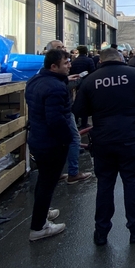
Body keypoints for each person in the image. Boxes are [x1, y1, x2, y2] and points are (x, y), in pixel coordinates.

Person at [73, 47, 135, 246]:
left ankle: (101, 232)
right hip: (130, 138)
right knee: (131, 183)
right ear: (121, 58)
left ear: (100, 61)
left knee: (104, 185)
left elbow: (79, 110)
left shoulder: (90, 80)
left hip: (103, 141)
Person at [25, 49, 72, 241]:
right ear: (53, 66)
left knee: (44, 180)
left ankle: (42, 212)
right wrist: (67, 138)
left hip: (37, 138)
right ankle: (39, 227)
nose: (69, 65)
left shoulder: (34, 81)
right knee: (47, 183)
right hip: (51, 143)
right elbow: (55, 119)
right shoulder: (55, 87)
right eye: (65, 63)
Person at [47, 40, 92, 182]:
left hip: (62, 111)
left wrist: (66, 79)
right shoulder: (55, 85)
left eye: (63, 47)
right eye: (58, 48)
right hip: (62, 113)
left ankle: (56, 172)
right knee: (73, 138)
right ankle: (73, 172)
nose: (62, 49)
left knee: (59, 141)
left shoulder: (52, 77)